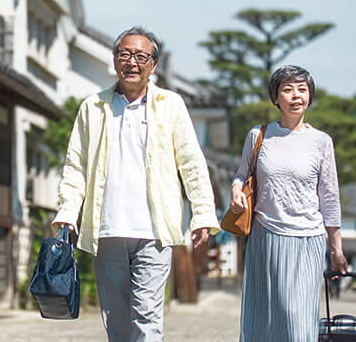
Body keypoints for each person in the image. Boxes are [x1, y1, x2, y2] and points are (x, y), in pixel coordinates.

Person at [52, 26, 220, 342]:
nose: (132, 62)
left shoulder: (170, 105)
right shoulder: (93, 106)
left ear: (153, 65)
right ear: (114, 61)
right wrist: (67, 211)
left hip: (154, 231)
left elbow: (192, 163)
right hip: (107, 230)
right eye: (125, 54)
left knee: (147, 319)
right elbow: (76, 166)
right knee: (115, 322)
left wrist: (202, 214)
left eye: (141, 56)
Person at [230, 65, 348, 341]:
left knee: (296, 317)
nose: (296, 96)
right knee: (264, 318)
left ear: (310, 96)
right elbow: (241, 174)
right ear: (275, 98)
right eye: (288, 89)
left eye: (302, 89)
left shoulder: (321, 141)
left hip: (308, 239)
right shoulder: (258, 136)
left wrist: (337, 248)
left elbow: (329, 197)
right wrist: (236, 189)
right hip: (265, 236)